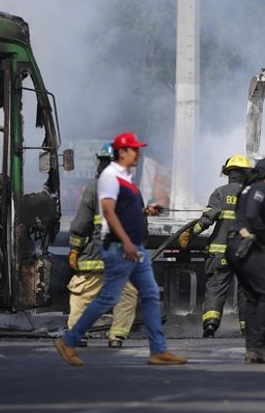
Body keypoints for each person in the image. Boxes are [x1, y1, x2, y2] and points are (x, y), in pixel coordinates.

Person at [54, 132, 186, 366]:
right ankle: (72, 339)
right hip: (116, 248)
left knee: (146, 294)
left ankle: (156, 349)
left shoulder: (128, 186)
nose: (138, 155)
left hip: (130, 250)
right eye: (134, 150)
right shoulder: (104, 183)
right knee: (109, 296)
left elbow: (126, 219)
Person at [67, 142, 138, 348]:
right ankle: (117, 336)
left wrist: (74, 249)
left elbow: (82, 222)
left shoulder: (94, 187)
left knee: (82, 294)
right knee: (127, 294)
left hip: (96, 254)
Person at [179, 154, 251, 338]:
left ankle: (210, 326)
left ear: (228, 173)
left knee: (216, 289)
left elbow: (207, 219)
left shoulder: (220, 192)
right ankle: (247, 328)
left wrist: (191, 232)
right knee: (246, 290)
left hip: (220, 253)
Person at [226, 157, 265, 364]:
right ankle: (258, 346)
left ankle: (252, 349)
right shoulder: (259, 188)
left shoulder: (249, 188)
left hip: (236, 245)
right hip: (245, 246)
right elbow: (252, 215)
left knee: (253, 296)